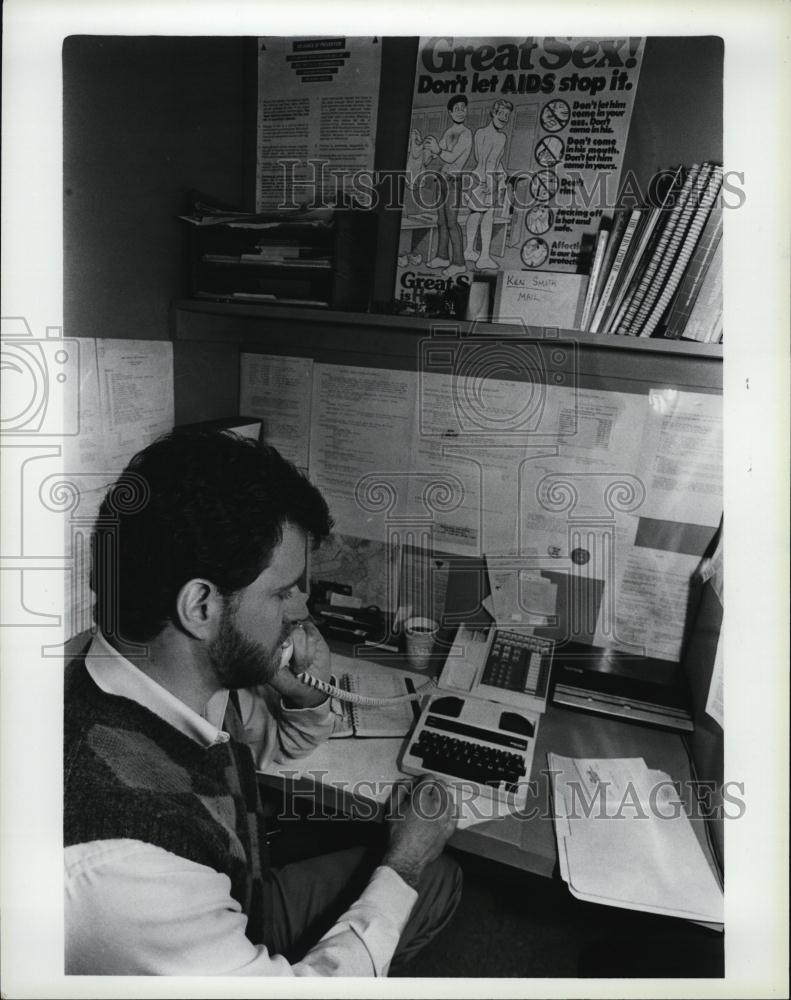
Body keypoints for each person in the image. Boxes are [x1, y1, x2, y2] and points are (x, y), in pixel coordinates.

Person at [64, 429, 461, 976]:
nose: (301, 609)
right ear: (201, 606)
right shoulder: (129, 869)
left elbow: (281, 745)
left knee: (442, 879)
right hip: (199, 906)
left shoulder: (166, 676)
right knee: (418, 873)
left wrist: (295, 684)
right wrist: (406, 857)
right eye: (283, 591)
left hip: (233, 890)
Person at [422, 95, 473, 278]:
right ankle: (442, 257)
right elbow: (438, 153)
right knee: (441, 221)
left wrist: (437, 150)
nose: (460, 111)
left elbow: (451, 157)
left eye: (463, 108)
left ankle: (459, 262)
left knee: (452, 223)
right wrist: (426, 151)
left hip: (453, 182)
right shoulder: (449, 131)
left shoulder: (466, 134)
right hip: (441, 180)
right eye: (456, 108)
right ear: (450, 112)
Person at [464, 98, 513, 270]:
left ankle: (472, 251)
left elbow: (495, 161)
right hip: (483, 178)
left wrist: (501, 178)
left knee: (478, 214)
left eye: (507, 115)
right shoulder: (487, 134)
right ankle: (480, 256)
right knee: (483, 215)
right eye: (501, 114)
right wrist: (488, 182)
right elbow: (483, 160)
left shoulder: (497, 136)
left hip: (487, 177)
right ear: (493, 113)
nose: (504, 118)